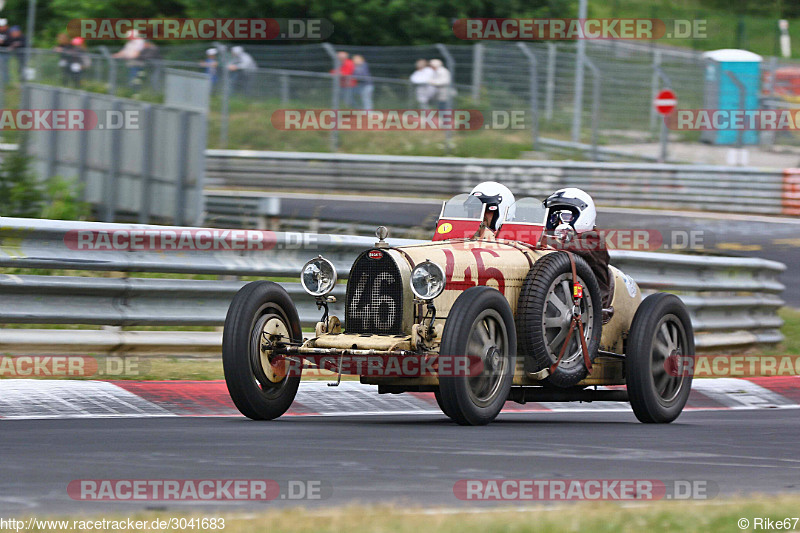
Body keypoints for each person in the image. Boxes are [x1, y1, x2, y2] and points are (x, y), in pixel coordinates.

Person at [542, 188, 612, 309]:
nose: (558, 224)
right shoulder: (551, 240)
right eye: (553, 218)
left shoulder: (593, 239)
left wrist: (539, 239)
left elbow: (577, 249)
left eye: (566, 216)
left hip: (592, 308)